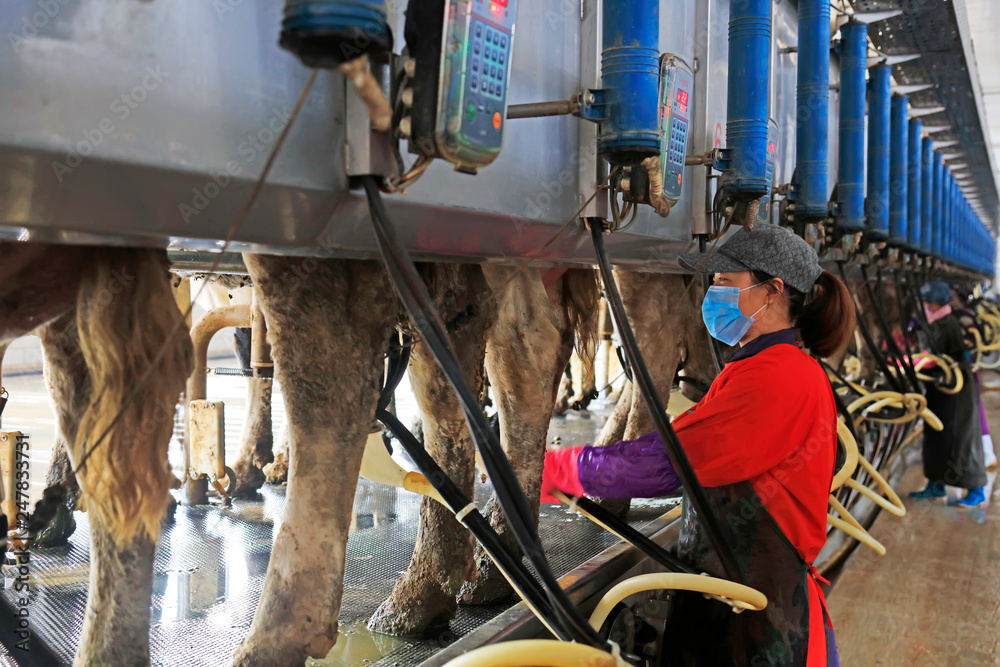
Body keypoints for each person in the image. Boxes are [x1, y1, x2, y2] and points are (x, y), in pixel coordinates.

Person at [541, 224, 853, 666]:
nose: (713, 292)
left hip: (755, 622)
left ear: (772, 291)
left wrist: (563, 469)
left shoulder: (778, 376)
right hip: (733, 594)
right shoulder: (762, 365)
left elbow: (672, 463)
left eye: (725, 281)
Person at [909, 281, 987, 507]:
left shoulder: (950, 324)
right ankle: (936, 485)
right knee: (936, 438)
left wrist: (918, 361)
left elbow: (943, 358)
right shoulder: (932, 323)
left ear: (935, 304)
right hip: (938, 389)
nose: (922, 306)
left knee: (961, 439)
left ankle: (976, 489)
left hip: (957, 390)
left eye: (926, 302)